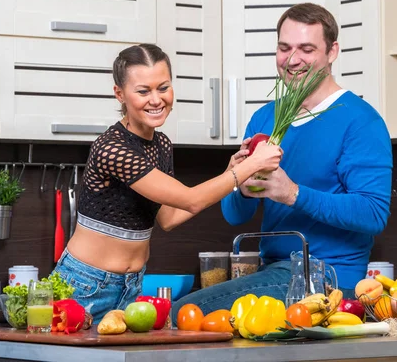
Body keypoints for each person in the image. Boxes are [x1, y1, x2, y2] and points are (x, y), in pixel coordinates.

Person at [172, 3, 392, 320]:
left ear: (332, 52)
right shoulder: (264, 119)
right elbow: (235, 216)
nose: (292, 59)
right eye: (284, 47)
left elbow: (373, 214)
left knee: (186, 313)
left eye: (306, 49)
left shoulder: (361, 121)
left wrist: (292, 193)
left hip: (329, 280)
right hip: (274, 270)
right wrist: (238, 182)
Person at [52, 43, 283, 323]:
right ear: (119, 94)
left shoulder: (160, 144)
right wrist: (251, 166)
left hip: (131, 286)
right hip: (84, 285)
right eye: (143, 91)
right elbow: (191, 199)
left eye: (163, 87)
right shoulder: (111, 149)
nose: (156, 99)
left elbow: (170, 217)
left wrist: (231, 170)